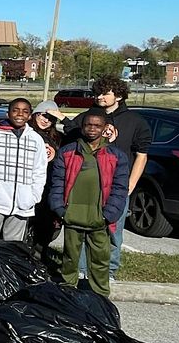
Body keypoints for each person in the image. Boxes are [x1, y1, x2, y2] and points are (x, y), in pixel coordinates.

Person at [64, 74, 152, 282]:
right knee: (85, 228)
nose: (100, 97)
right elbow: (71, 137)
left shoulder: (135, 122)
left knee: (113, 231)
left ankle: (108, 270)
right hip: (88, 185)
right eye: (97, 93)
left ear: (119, 96)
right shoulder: (88, 118)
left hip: (116, 186)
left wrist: (130, 185)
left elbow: (142, 155)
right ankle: (82, 269)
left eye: (105, 93)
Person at [48, 106, 130, 296]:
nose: (92, 129)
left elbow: (120, 188)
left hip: (99, 217)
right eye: (88, 125)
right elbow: (57, 183)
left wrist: (109, 214)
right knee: (70, 258)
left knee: (100, 259)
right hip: (71, 215)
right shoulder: (68, 152)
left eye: (97, 125)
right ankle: (67, 293)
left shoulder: (116, 156)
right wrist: (60, 210)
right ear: (82, 127)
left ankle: (100, 296)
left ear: (104, 128)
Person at [0, 98, 47, 242]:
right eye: (15, 110)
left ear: (30, 116)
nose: (20, 114)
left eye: (25, 111)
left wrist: (34, 197)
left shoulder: (36, 139)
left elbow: (40, 171)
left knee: (13, 245)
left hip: (23, 203)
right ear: (8, 114)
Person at [30, 100, 65, 267]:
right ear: (36, 114)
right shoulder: (27, 132)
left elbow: (79, 134)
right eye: (43, 115)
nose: (46, 120)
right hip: (29, 186)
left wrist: (63, 118)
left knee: (48, 228)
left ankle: (39, 255)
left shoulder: (57, 138)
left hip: (50, 187)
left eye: (51, 118)